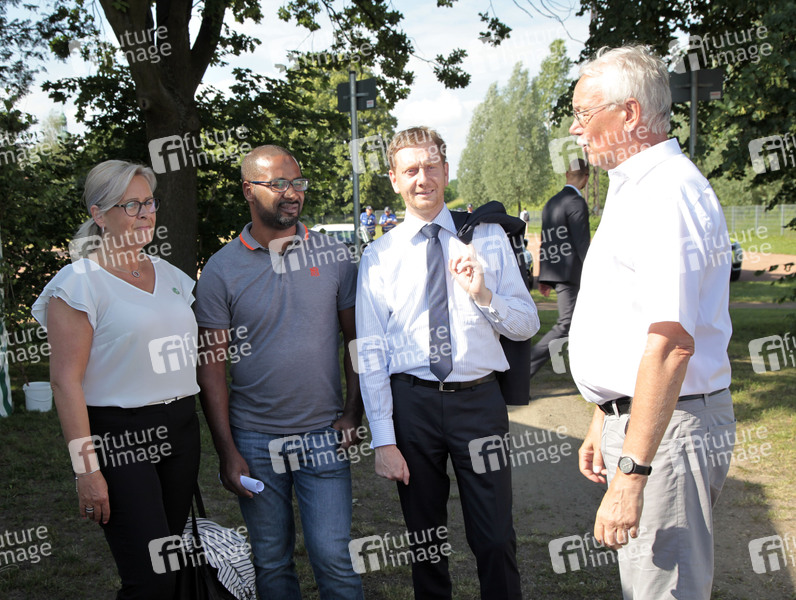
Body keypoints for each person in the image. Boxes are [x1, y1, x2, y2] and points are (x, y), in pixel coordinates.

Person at [568, 46, 735, 600]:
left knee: (665, 590)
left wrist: (633, 473)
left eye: (584, 114)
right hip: (651, 421)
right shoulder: (639, 187)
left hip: (668, 430)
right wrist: (605, 413)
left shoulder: (666, 192)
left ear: (630, 114)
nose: (575, 129)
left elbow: (670, 343)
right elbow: (631, 321)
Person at [355, 126, 539, 599]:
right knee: (425, 542)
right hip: (412, 406)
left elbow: (526, 324)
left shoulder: (488, 237)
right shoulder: (379, 256)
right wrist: (384, 439)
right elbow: (371, 352)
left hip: (478, 403)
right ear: (394, 179)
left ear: (446, 170)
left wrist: (484, 293)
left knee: (495, 537)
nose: (423, 178)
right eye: (411, 170)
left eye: (431, 166)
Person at [195, 144, 365, 600]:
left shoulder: (333, 255)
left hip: (323, 435)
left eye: (298, 182)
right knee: (271, 560)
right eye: (279, 184)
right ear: (249, 190)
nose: (293, 193)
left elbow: (357, 343)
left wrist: (353, 412)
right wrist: (227, 450)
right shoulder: (221, 270)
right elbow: (210, 370)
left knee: (334, 558)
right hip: (254, 440)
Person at [32, 160, 201, 599]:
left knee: (170, 563)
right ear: (99, 214)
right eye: (131, 205)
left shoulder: (172, 276)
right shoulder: (78, 285)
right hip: (120, 436)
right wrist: (86, 471)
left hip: (182, 429)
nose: (146, 213)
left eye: (149, 202)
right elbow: (65, 383)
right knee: (150, 578)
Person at [529, 158, 590, 378]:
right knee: (565, 324)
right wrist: (595, 274)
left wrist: (544, 277)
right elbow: (582, 244)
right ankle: (524, 370)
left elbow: (545, 241)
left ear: (566, 174)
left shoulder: (551, 202)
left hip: (555, 272)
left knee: (579, 323)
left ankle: (586, 370)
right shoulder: (576, 202)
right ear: (586, 178)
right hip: (572, 275)